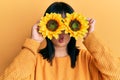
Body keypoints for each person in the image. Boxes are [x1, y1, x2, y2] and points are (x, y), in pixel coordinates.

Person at [0, 2, 120, 80]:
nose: (62, 32)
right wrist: (33, 41)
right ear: (45, 26)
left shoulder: (88, 59)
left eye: (67, 25)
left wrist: (90, 37)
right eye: (55, 25)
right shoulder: (34, 61)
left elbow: (116, 74)